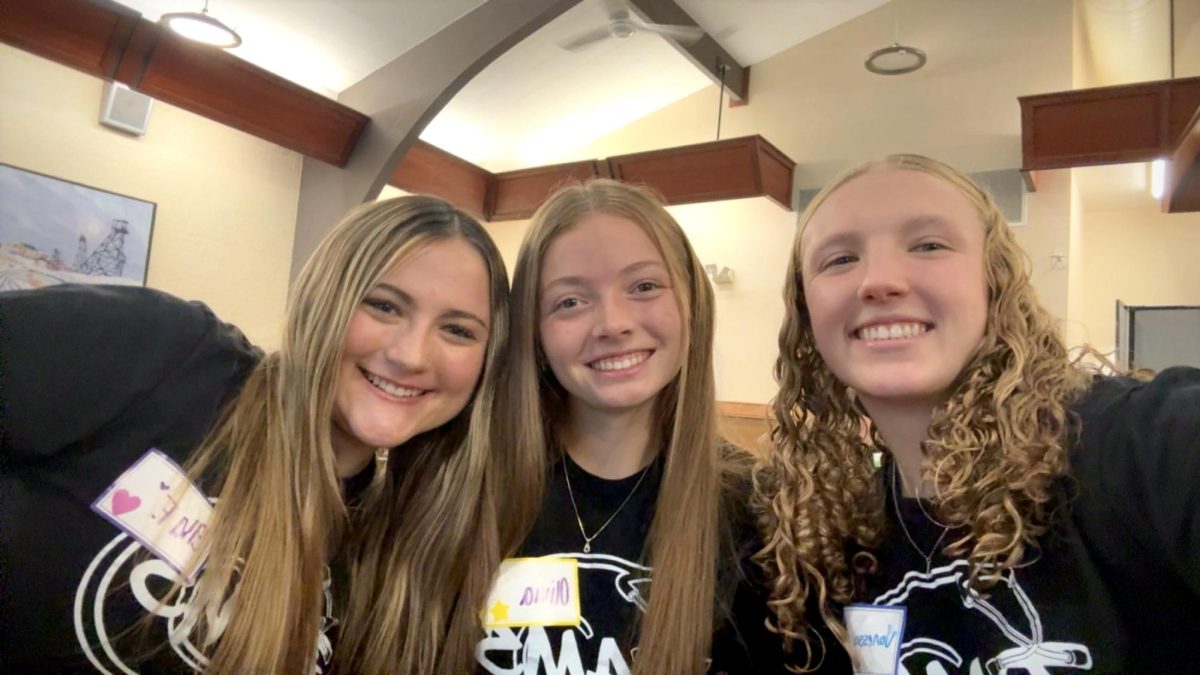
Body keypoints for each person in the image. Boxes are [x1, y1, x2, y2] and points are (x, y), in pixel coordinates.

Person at [0, 195, 511, 674]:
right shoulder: (170, 352)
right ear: (324, 299)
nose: (411, 355)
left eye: (458, 330)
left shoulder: (398, 546)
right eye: (383, 305)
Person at [752, 154, 1200, 673]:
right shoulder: (825, 532)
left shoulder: (1136, 445)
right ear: (806, 314)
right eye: (839, 259)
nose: (878, 281)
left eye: (929, 245)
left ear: (994, 280)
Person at [474, 179, 783, 675]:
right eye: (570, 301)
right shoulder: (470, 490)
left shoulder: (760, 512)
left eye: (644, 287)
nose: (613, 324)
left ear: (692, 303)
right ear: (533, 331)